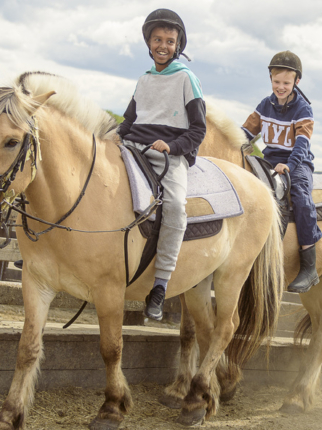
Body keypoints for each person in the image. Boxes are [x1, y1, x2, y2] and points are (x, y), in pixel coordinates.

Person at [117, 8, 206, 321]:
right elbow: (129, 120)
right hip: (132, 147)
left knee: (176, 208)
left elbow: (198, 130)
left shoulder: (186, 78)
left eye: (170, 40)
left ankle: (160, 283)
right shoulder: (143, 79)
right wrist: (113, 137)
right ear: (149, 42)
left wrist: (172, 146)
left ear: (178, 43)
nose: (163, 45)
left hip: (168, 155)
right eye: (158, 39)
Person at [240, 50, 322, 293]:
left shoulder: (303, 109)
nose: (281, 87)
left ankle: (309, 265)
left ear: (296, 82)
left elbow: (302, 145)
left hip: (298, 162)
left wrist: (290, 165)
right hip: (269, 159)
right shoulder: (265, 105)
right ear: (271, 80)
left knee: (301, 197)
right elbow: (245, 133)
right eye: (276, 82)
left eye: (286, 83)